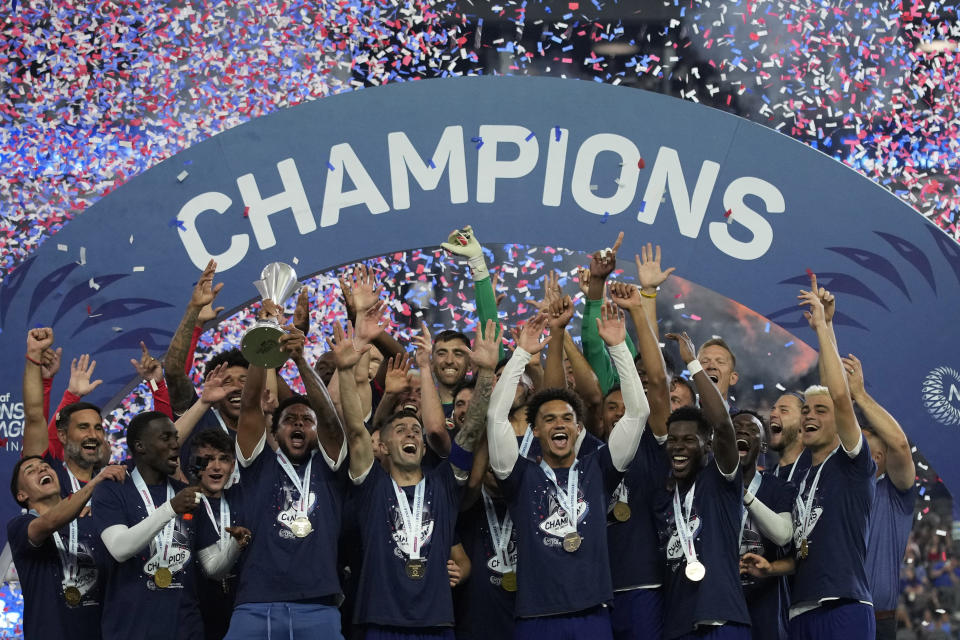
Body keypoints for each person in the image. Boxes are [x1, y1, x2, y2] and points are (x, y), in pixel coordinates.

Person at [487, 304, 650, 637]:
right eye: (548, 419)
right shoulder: (519, 476)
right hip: (535, 617)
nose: (558, 424)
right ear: (535, 430)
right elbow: (495, 419)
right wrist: (519, 356)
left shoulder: (600, 468)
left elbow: (638, 414)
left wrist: (618, 348)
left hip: (592, 615)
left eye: (566, 419)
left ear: (578, 430)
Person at [336, 307, 495, 638]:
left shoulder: (444, 485)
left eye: (415, 430)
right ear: (385, 445)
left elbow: (471, 429)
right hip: (380, 622)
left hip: (436, 623)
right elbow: (355, 430)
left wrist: (486, 373)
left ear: (424, 448)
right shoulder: (372, 486)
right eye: (401, 429)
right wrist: (346, 371)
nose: (410, 433)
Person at [228, 308, 348, 639]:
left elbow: (330, 420)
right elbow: (250, 404)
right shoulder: (258, 463)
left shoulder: (329, 467)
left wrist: (300, 361)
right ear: (275, 432)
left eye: (305, 420)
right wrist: (263, 339)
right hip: (255, 603)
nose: (298, 423)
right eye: (289, 419)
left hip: (319, 606)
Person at [787, 274, 877, 638]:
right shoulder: (801, 473)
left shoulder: (853, 462)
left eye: (819, 412)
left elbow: (839, 397)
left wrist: (824, 327)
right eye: (805, 410)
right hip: (799, 610)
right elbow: (829, 392)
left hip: (845, 606)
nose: (809, 415)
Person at [657, 332, 750, 640]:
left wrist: (693, 364)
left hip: (721, 620)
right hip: (677, 625)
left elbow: (723, 425)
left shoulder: (720, 480)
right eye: (672, 441)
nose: (678, 448)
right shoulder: (665, 495)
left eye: (688, 440)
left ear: (707, 445)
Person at [91, 411, 206, 639]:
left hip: (185, 629)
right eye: (166, 438)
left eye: (176, 437)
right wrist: (170, 508)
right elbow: (119, 548)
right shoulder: (111, 490)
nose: (176, 444)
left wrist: (235, 544)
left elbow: (207, 563)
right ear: (140, 446)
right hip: (131, 629)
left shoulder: (186, 494)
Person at [8, 455, 125, 639]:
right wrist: (95, 483)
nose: (42, 469)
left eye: (46, 466)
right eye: (30, 470)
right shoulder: (20, 526)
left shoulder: (91, 521)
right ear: (22, 495)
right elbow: (49, 522)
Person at [845, 354, 917, 640]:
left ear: (875, 458)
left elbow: (899, 444)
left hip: (878, 620)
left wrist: (860, 395)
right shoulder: (836, 488)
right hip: (834, 614)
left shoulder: (895, 494)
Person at [22, 328, 107, 495]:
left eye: (98, 428)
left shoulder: (113, 485)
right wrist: (34, 355)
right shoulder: (50, 477)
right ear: (62, 436)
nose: (93, 434)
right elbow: (34, 417)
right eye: (84, 427)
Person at [733, 410, 794, 640]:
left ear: (764, 446)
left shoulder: (779, 488)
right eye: (736, 430)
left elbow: (782, 536)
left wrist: (744, 494)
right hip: (722, 605)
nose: (743, 433)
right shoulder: (709, 488)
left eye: (752, 431)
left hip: (766, 612)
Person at [190, 429, 251, 640]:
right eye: (207, 460)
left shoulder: (241, 498)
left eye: (224, 459)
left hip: (241, 607)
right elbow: (211, 569)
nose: (216, 466)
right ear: (196, 465)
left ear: (232, 465)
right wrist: (237, 544)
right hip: (199, 612)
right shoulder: (186, 504)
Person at [768, 392, 808, 483]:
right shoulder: (764, 479)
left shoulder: (817, 475)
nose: (772, 414)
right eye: (773, 409)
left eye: (784, 411)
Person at [696, 337, 738, 410]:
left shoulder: (742, 420)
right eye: (705, 361)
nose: (711, 366)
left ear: (732, 378)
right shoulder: (680, 417)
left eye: (720, 362)